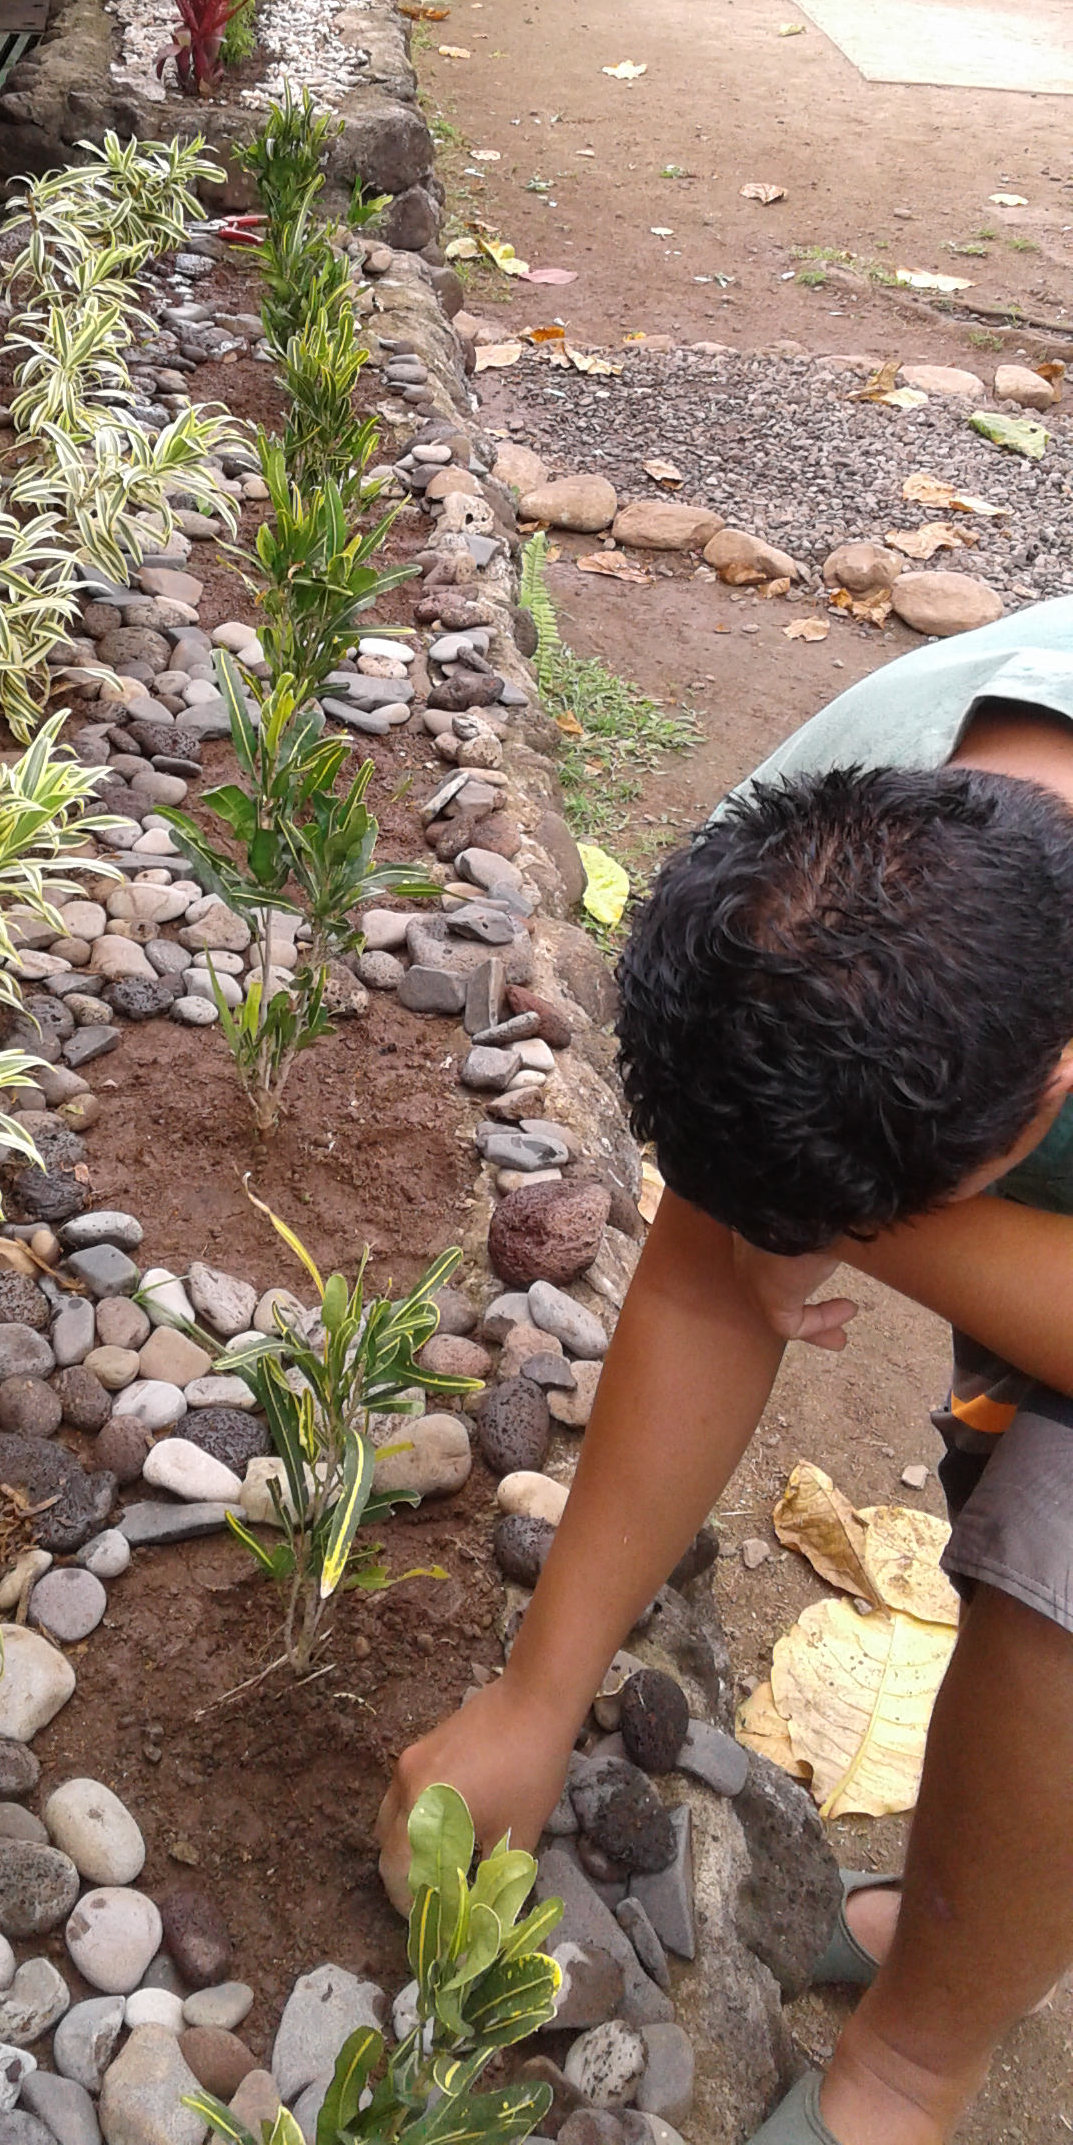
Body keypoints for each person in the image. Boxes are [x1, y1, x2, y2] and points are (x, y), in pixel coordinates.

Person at [378, 596, 1073, 2145]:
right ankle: (976, 1898)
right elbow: (708, 1262)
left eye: (886, 1218)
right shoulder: (809, 880)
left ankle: (918, 2062)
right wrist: (538, 1693)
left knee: (1060, 1573)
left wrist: (850, 1236)